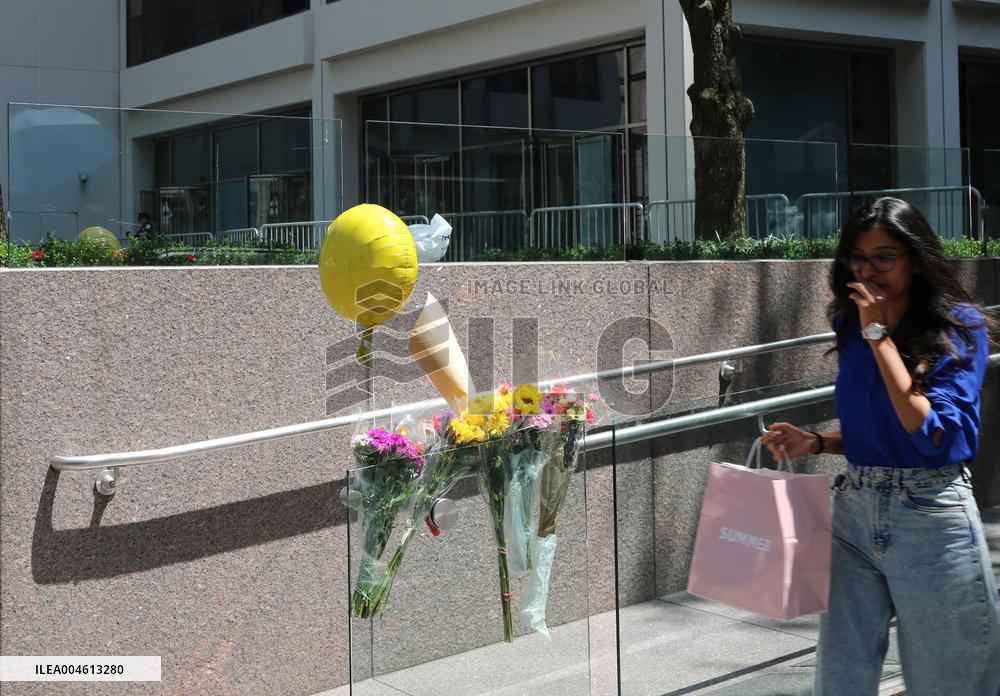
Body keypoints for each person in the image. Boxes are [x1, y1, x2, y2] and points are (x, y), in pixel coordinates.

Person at [761, 197, 1000, 695]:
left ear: (916, 258)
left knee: (948, 681)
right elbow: (879, 427)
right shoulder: (852, 326)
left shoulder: (960, 327)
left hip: (931, 515)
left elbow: (931, 431)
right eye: (858, 257)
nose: (869, 270)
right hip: (855, 508)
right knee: (840, 680)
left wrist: (879, 337)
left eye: (884, 256)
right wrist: (818, 441)